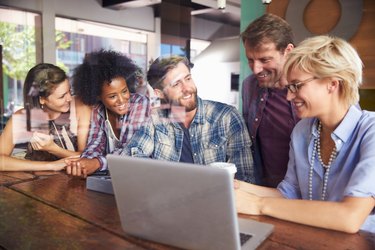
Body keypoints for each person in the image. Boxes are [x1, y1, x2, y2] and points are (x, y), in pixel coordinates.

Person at [235, 35, 375, 233]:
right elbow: (288, 194)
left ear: (332, 84)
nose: (290, 96)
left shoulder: (371, 131)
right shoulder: (302, 131)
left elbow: (350, 217)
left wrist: (258, 204)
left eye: (296, 86)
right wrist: (236, 187)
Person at [116, 55, 254, 183]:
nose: (187, 88)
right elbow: (131, 159)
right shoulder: (155, 119)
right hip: (169, 201)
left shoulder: (227, 117)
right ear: (159, 94)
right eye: (176, 84)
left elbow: (244, 178)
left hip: (215, 201)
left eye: (188, 79)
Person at [65, 49, 150, 178]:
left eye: (124, 91)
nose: (121, 100)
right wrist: (83, 164)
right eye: (112, 96)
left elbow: (131, 151)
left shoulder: (140, 104)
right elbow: (95, 143)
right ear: (98, 96)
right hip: (116, 177)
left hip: (142, 176)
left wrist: (96, 163)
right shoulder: (98, 110)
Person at [241, 13, 300, 187]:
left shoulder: (314, 89)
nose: (256, 69)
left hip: (305, 193)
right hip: (265, 189)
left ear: (288, 51)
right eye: (250, 60)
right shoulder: (249, 86)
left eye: (265, 59)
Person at [0, 63, 90, 171]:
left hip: (76, 181)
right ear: (42, 99)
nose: (69, 98)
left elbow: (91, 159)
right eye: (62, 96)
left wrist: (53, 148)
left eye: (69, 91)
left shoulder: (80, 108)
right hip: (37, 182)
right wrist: (51, 166)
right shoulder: (23, 117)